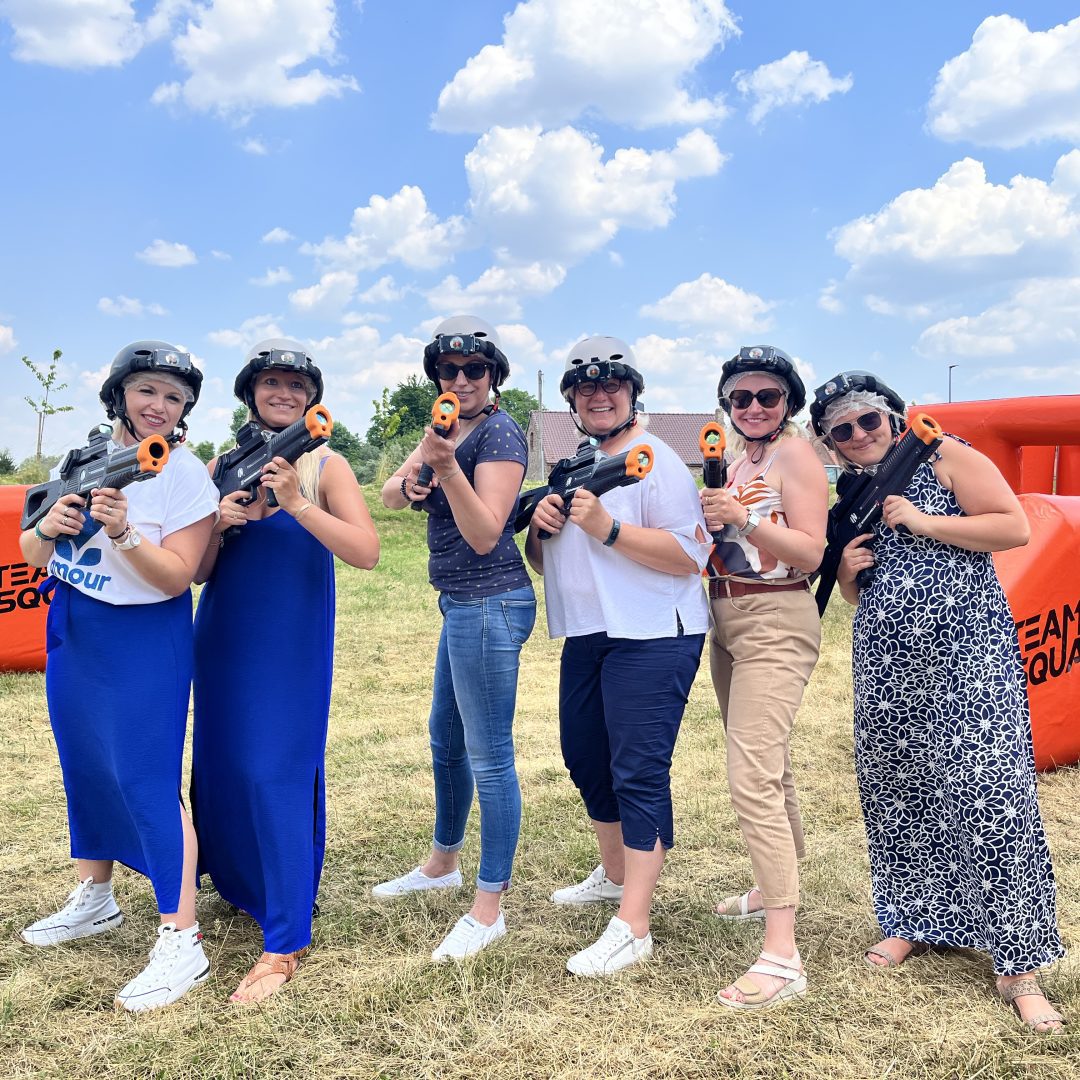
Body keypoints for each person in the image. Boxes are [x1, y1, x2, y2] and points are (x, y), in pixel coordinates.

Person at [811, 370, 1066, 1034]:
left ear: (894, 418)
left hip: (970, 656)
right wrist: (844, 574)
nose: (860, 435)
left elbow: (1012, 528)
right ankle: (914, 921)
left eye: (870, 420)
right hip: (889, 666)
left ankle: (1019, 967)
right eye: (844, 429)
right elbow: (859, 599)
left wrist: (924, 521)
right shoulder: (854, 491)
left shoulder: (945, 455)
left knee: (990, 795)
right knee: (903, 794)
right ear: (833, 445)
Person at [19, 340, 219, 1012]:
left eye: (174, 397)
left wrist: (128, 534)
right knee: (86, 768)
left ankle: (181, 937)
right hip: (75, 630)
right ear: (120, 395)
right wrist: (50, 525)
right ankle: (96, 896)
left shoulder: (186, 474)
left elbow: (178, 579)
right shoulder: (79, 457)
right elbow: (30, 552)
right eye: (148, 391)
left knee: (146, 782)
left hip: (144, 640)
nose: (160, 406)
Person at [191, 338, 379, 1003]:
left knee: (276, 771)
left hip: (289, 644)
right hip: (223, 634)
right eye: (271, 382)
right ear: (251, 392)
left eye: (296, 386)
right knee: (223, 766)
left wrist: (299, 502)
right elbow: (199, 571)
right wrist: (217, 524)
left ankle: (284, 941)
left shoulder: (328, 464)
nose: (284, 393)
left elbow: (367, 552)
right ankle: (246, 891)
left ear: (311, 398)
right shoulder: (220, 463)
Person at [525, 336, 710, 977]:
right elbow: (544, 558)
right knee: (584, 755)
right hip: (589, 629)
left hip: (655, 630)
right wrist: (542, 528)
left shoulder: (653, 458)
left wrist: (607, 526)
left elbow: (692, 554)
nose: (599, 396)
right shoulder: (574, 462)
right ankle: (612, 874)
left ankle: (634, 924)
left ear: (632, 394)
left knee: (637, 769)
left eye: (612, 386)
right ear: (571, 401)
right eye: (585, 388)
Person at [375, 316, 536, 962]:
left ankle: (488, 906)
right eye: (449, 371)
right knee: (446, 738)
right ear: (437, 379)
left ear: (493, 376)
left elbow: (485, 532)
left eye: (474, 370)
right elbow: (389, 495)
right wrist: (417, 474)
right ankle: (441, 861)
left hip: (491, 603)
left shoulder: (500, 432)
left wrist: (443, 470)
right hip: (458, 606)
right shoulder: (445, 430)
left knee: (489, 755)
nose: (462, 379)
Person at [701, 346, 827, 1010]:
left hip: (774, 616)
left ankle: (783, 956)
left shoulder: (796, 456)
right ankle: (774, 886)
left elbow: (811, 548)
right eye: (740, 397)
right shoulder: (742, 457)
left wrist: (743, 518)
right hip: (728, 616)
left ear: (788, 402)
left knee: (750, 773)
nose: (752, 407)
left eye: (767, 397)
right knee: (770, 769)